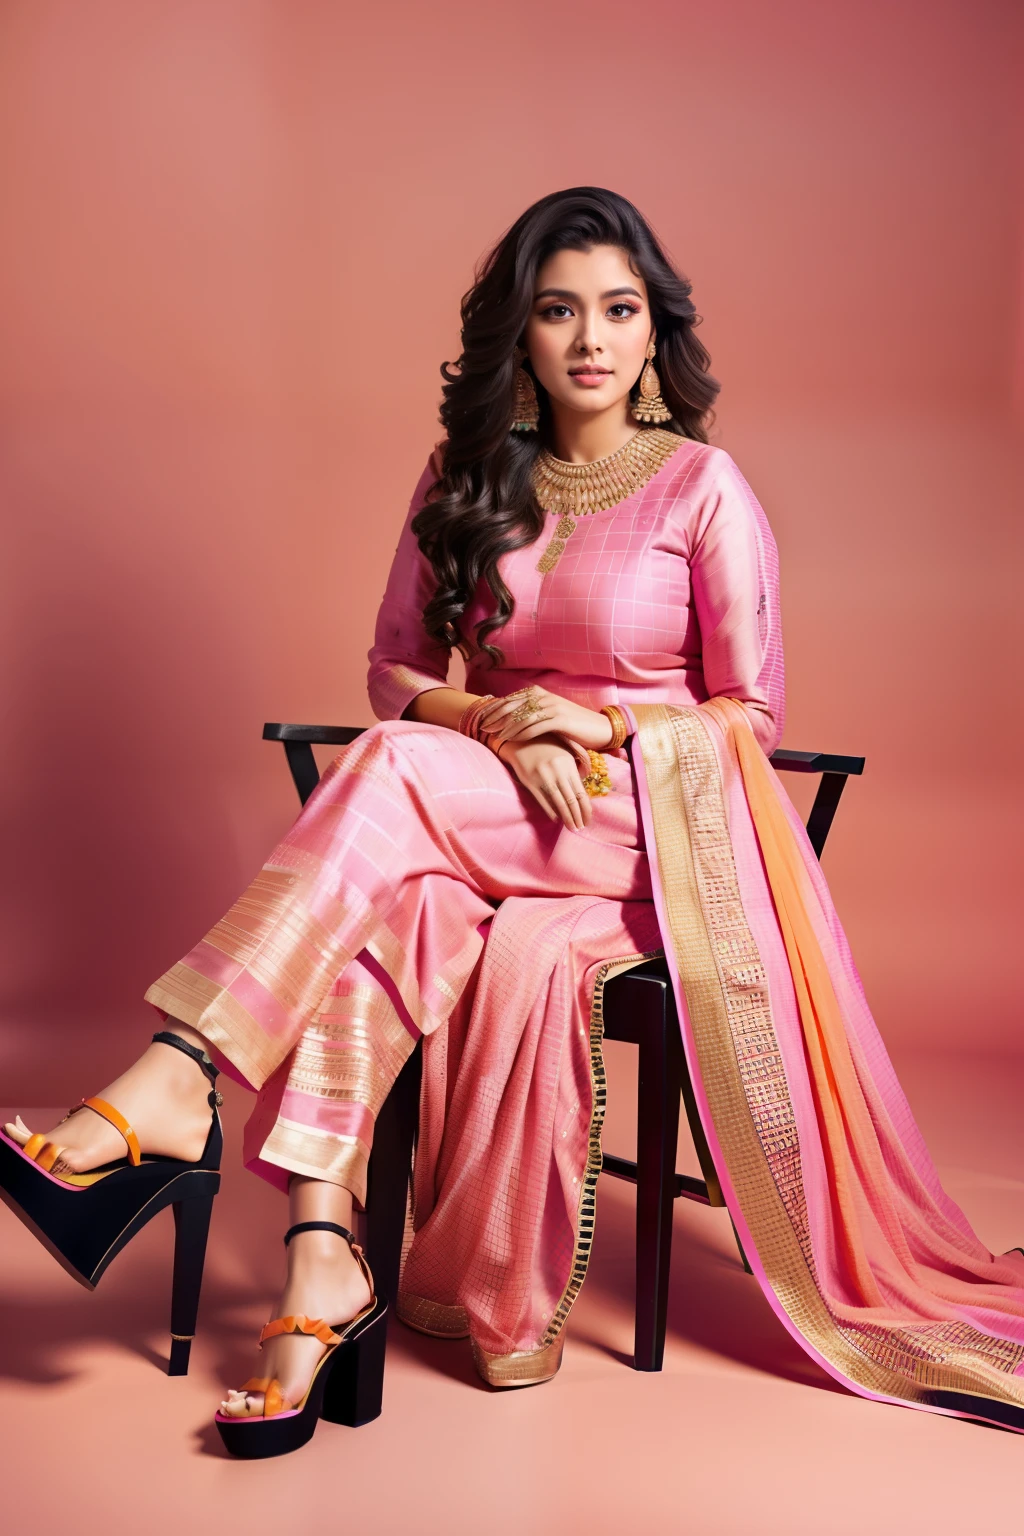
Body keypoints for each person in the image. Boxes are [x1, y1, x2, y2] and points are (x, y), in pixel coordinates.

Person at [4, 187, 1024, 1457]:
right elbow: (392, 670)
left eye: (618, 310)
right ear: (521, 339)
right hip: (479, 805)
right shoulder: (463, 478)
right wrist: (499, 724)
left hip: (646, 829)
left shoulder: (704, 489)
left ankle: (181, 1072)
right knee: (400, 906)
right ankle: (320, 1263)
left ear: (655, 335)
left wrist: (592, 731)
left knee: (386, 775)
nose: (590, 338)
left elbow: (746, 713)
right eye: (559, 311)